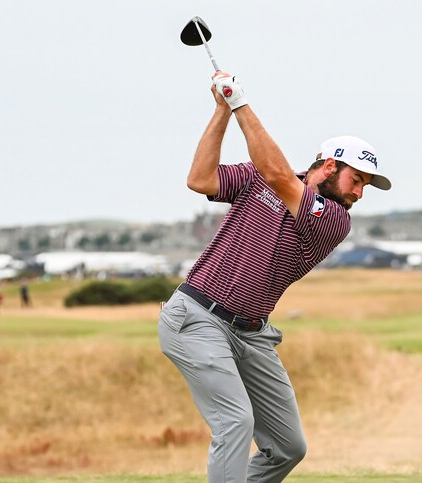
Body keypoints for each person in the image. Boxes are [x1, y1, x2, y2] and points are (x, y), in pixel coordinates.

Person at [158, 72, 390, 483]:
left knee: (287, 447)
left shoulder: (333, 220)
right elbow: (200, 180)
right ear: (330, 165)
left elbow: (280, 176)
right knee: (234, 422)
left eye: (366, 186)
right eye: (357, 180)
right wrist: (221, 111)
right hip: (197, 317)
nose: (359, 193)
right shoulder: (258, 177)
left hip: (252, 334)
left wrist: (240, 103)